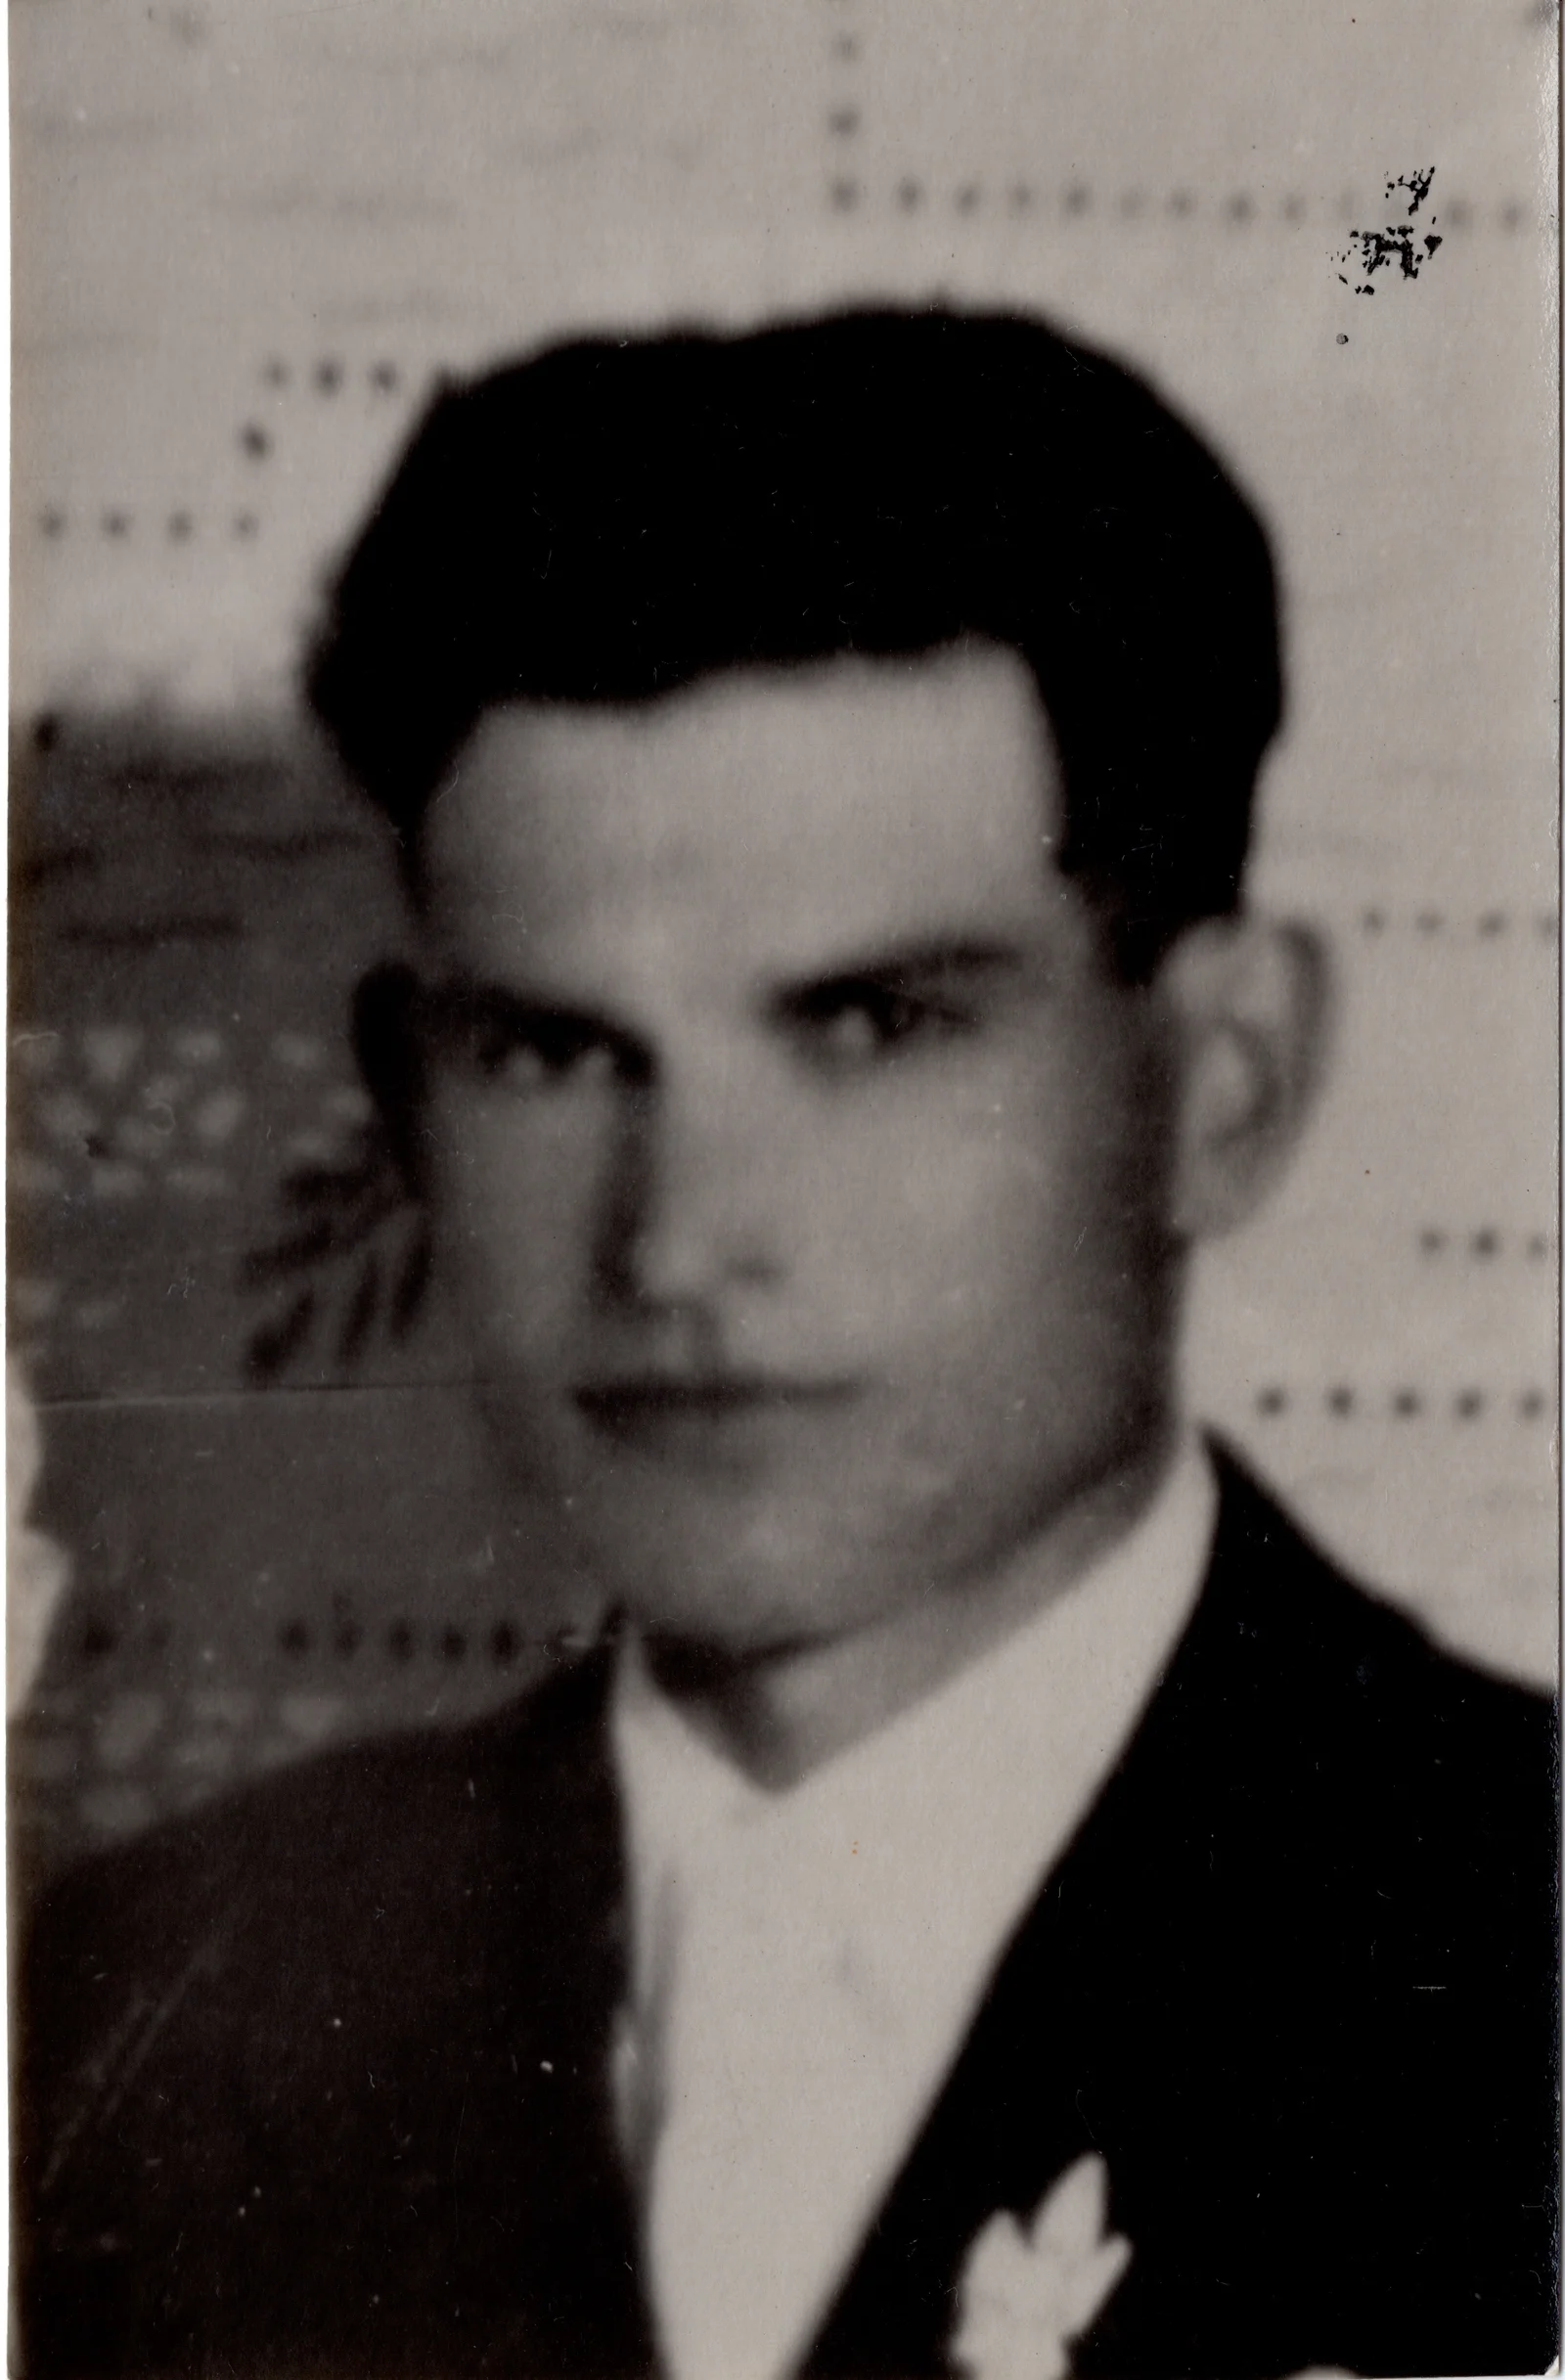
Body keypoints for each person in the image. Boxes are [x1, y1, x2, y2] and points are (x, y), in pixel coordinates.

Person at [14, 309, 1557, 2380]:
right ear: (406, 1106)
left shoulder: (1513, 1945)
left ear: (1225, 1081)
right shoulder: (152, 1996)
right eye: (548, 1051)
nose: (676, 1243)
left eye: (871, 1025)